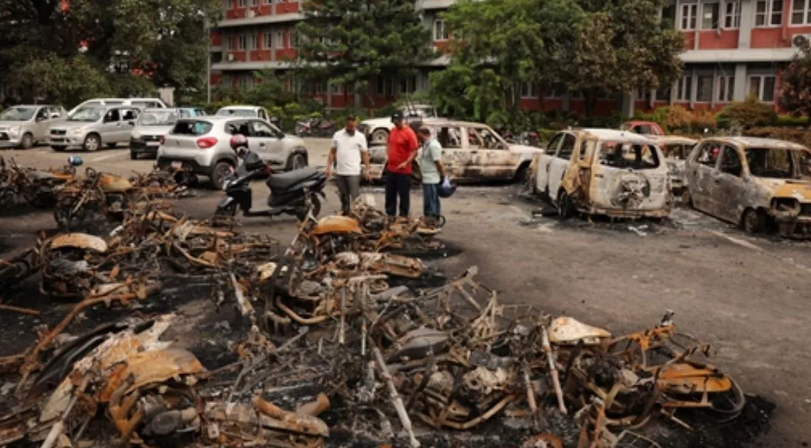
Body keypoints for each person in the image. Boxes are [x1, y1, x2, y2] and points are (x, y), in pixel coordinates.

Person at [326, 115, 371, 214]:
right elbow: (332, 152)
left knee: (355, 196)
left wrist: (367, 170)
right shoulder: (337, 135)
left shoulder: (360, 137)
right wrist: (328, 167)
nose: (352, 129)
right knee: (343, 196)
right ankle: (345, 212)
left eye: (354, 126)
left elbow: (365, 154)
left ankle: (357, 214)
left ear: (356, 124)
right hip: (340, 171)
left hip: (354, 172)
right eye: (350, 127)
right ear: (346, 124)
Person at [385, 111, 419, 217]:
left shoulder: (409, 133)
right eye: (394, 122)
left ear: (402, 120)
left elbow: (414, 151)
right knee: (390, 194)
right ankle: (390, 214)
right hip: (391, 168)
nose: (396, 124)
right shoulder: (392, 130)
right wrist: (388, 155)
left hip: (403, 170)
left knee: (403, 195)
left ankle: (403, 216)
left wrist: (406, 162)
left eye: (397, 122)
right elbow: (388, 143)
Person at [417, 127, 446, 225]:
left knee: (431, 200)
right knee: (429, 200)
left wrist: (443, 175)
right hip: (427, 177)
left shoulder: (433, 145)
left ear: (424, 134)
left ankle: (432, 219)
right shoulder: (426, 145)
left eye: (419, 136)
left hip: (432, 178)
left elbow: (439, 162)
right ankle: (431, 218)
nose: (418, 138)